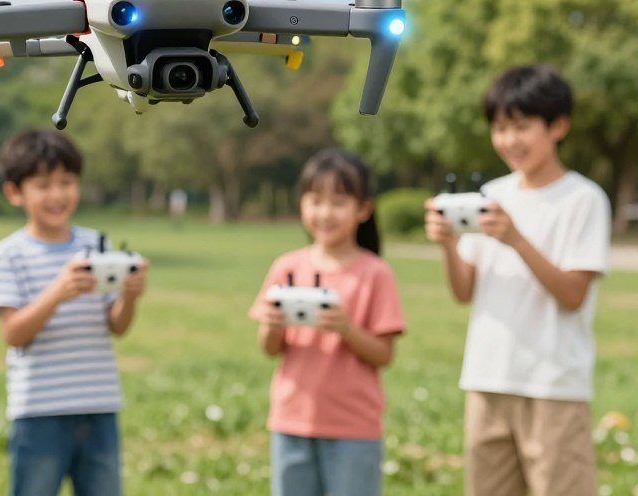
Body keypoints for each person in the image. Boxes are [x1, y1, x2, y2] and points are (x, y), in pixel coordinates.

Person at [424, 64, 611, 496]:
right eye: (500, 128)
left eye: (522, 127)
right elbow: (464, 292)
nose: (509, 141)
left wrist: (516, 240)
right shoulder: (492, 195)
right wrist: (448, 245)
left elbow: (573, 295)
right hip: (487, 379)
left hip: (552, 385)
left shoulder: (583, 200)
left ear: (558, 126)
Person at [0, 129, 149, 496]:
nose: (57, 194)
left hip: (98, 404)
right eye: (43, 185)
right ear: (15, 192)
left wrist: (130, 296)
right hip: (39, 410)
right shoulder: (9, 254)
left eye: (67, 182)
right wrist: (58, 292)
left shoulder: (96, 244)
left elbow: (116, 326)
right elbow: (13, 334)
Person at [249, 148, 406, 496]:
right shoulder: (286, 266)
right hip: (291, 420)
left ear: (363, 209)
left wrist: (346, 329)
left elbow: (384, 355)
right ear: (301, 204)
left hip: (353, 427)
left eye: (338, 202)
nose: (325, 212)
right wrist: (273, 324)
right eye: (315, 200)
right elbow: (269, 349)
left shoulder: (375, 274)